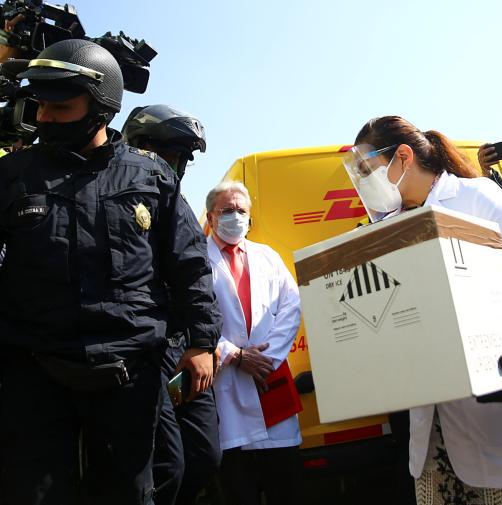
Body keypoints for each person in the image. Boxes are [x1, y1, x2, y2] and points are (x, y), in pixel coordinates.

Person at [0, 39, 221, 504]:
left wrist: (202, 343)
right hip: (35, 370)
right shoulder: (12, 175)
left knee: (135, 490)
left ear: (101, 107)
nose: (44, 117)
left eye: (60, 106)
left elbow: (189, 265)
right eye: (40, 105)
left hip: (129, 375)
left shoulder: (151, 177)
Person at [344, 116, 502, 504]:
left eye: (369, 170)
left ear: (403, 156)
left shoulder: (476, 197)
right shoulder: (388, 227)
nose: (365, 181)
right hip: (435, 436)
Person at [121, 104, 219, 505]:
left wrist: (201, 344)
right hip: (141, 352)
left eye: (181, 158)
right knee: (163, 468)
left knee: (204, 456)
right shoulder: (115, 197)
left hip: (184, 350)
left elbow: (196, 277)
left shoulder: (177, 206)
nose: (173, 165)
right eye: (168, 154)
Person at [206, 181, 303, 505]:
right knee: (238, 489)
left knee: (285, 485)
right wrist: (233, 354)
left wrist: (268, 357)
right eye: (227, 211)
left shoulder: (267, 257)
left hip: (269, 379)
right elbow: (188, 317)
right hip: (225, 386)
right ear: (210, 216)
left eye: (241, 211)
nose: (235, 216)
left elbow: (292, 305)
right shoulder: (195, 260)